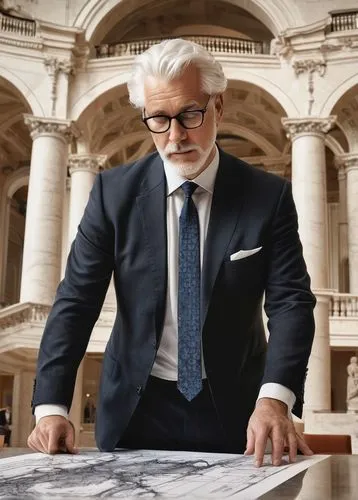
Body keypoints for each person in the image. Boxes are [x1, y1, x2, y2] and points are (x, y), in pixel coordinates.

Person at [27, 38, 315, 466]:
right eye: (159, 119)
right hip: (134, 411)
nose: (175, 136)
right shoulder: (112, 194)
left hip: (239, 411)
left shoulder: (267, 197)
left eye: (190, 115)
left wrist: (275, 397)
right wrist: (50, 407)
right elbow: (77, 301)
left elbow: (291, 302)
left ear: (218, 107)